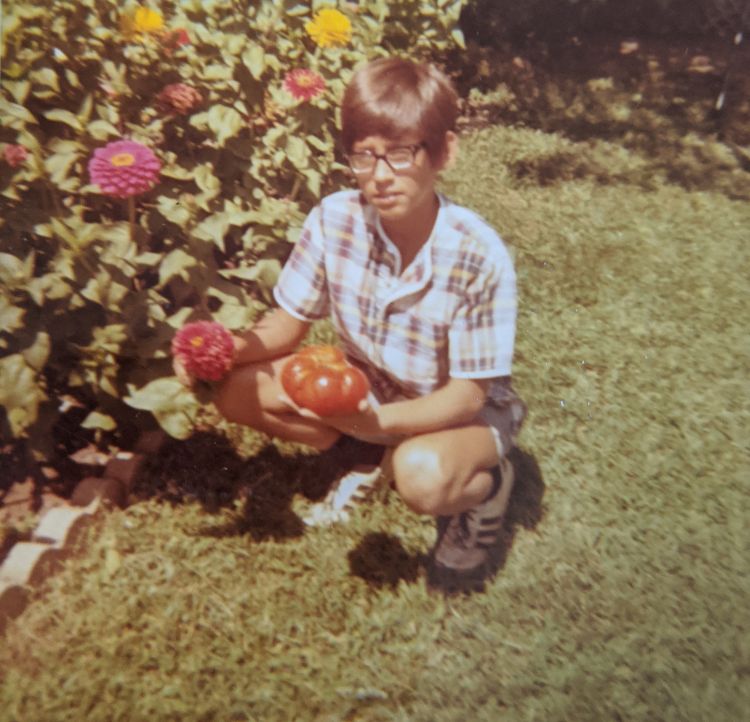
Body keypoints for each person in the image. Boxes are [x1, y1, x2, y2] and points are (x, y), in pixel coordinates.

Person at [176, 57, 526, 588]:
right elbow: (287, 326)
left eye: (401, 154)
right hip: (370, 389)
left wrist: (381, 424)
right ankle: (361, 452)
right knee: (238, 390)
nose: (380, 176)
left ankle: (489, 485)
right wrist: (219, 350)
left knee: (421, 477)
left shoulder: (478, 255)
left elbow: (467, 396)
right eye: (364, 156)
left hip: (457, 414)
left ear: (444, 153)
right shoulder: (334, 219)